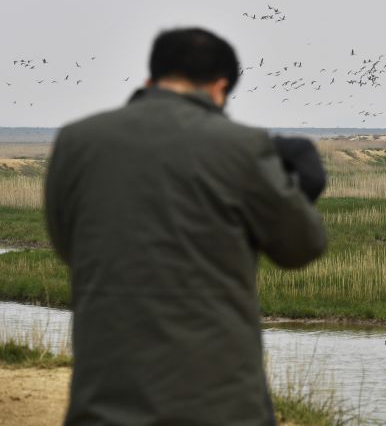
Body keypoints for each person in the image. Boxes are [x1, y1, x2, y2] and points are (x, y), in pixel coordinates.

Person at [44, 27, 328, 425]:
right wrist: (303, 187)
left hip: (105, 399)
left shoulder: (76, 141)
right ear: (220, 87)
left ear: (150, 80)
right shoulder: (242, 146)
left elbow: (66, 247)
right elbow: (302, 246)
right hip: (219, 403)